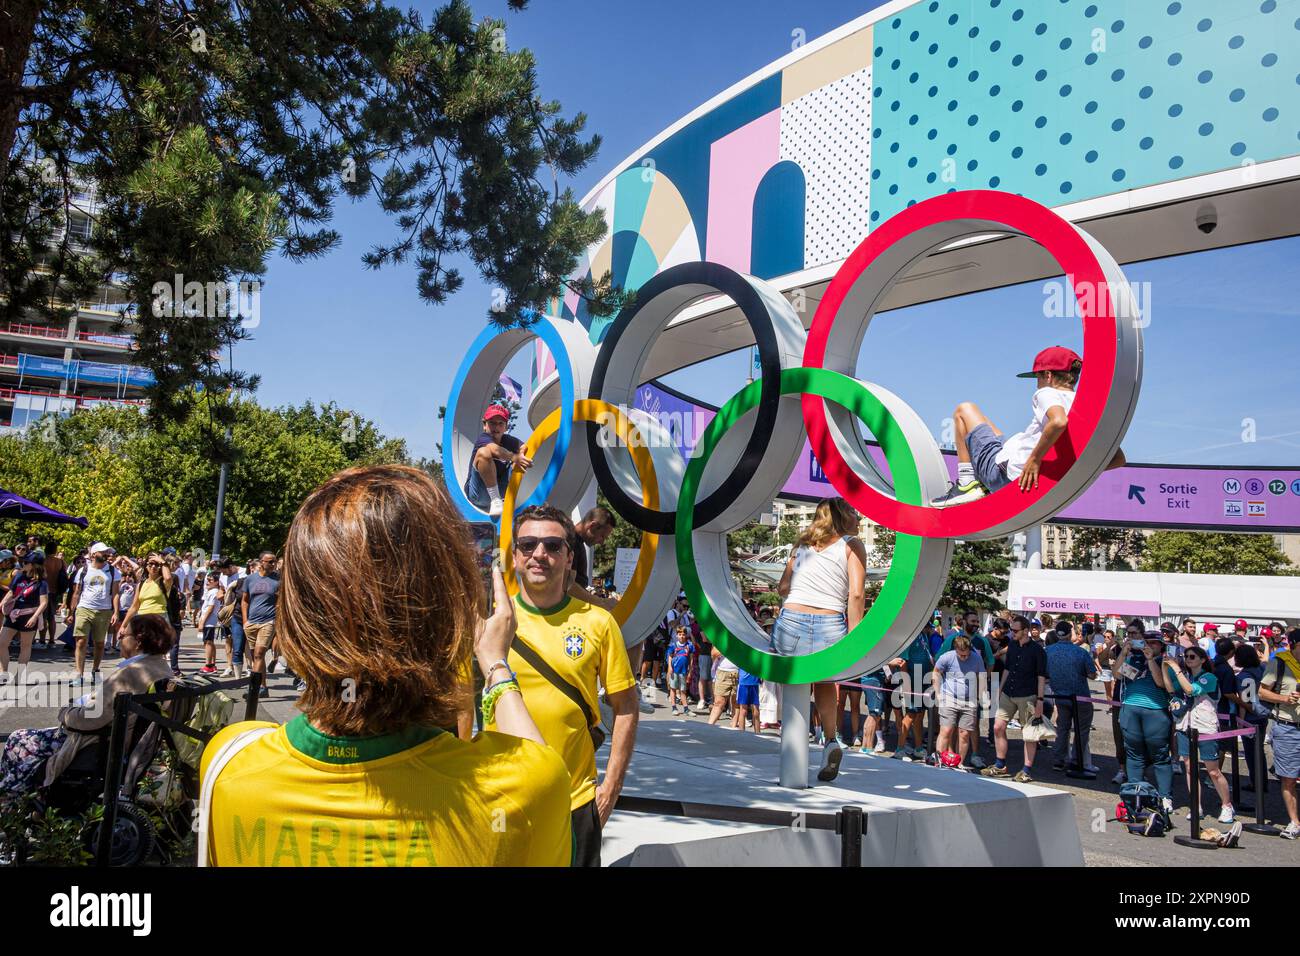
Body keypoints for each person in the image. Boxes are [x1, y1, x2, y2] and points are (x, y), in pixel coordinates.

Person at [200, 465, 572, 866]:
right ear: (448, 616)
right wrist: (494, 661)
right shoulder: (522, 787)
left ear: (297, 609)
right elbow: (538, 768)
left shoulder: (230, 762)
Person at [493, 503, 639, 867]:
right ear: (515, 556)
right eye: (528, 545)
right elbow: (462, 703)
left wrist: (610, 790)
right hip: (499, 801)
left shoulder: (599, 623)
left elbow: (627, 706)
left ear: (570, 558)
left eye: (553, 546)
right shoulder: (492, 621)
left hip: (574, 804)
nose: (539, 553)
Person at [0, 614, 176, 802]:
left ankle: (13, 801)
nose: (119, 637)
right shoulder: (160, 666)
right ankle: (20, 796)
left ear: (139, 641)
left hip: (99, 744)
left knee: (17, 739)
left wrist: (66, 712)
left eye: (124, 634)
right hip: (122, 741)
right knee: (23, 742)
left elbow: (93, 719)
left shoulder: (130, 674)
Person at [933, 346, 1126, 505]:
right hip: (1013, 460)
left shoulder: (1048, 393)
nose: (1037, 384)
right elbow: (1118, 458)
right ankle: (975, 483)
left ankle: (966, 484)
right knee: (986, 423)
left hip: (1002, 474)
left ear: (1048, 375)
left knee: (964, 409)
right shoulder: (1085, 407)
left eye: (1038, 378)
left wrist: (1034, 460)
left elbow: (1058, 421)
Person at [771, 497, 867, 782]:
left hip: (791, 623)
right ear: (840, 516)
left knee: (795, 681)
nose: (858, 515)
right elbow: (857, 594)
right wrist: (855, 634)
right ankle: (830, 741)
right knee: (825, 683)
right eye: (852, 511)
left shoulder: (800, 545)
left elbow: (783, 587)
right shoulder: (852, 545)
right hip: (830, 623)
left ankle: (794, 751)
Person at [1164, 646, 1234, 824]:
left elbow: (1190, 691)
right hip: (1185, 726)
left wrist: (1176, 669)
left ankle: (1227, 805)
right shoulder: (1185, 676)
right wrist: (1165, 667)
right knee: (1189, 767)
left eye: (1192, 656)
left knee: (1213, 770)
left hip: (1204, 727)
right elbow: (1170, 688)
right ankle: (1196, 805)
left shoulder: (1208, 677)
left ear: (1203, 659)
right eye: (1186, 656)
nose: (1188, 659)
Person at [1117, 625, 1177, 820]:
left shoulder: (1166, 661)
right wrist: (1124, 653)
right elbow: (1118, 675)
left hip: (1156, 710)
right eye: (1146, 642)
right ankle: (1136, 792)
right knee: (1133, 753)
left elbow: (1161, 683)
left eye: (1153, 643)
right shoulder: (1134, 659)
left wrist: (1151, 659)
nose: (1149, 646)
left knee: (1160, 754)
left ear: (1161, 645)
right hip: (1131, 708)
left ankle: (1165, 797)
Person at [983, 615, 1047, 782]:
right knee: (998, 727)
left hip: (1028, 695)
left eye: (1015, 630)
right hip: (1008, 693)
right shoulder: (1011, 646)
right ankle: (1000, 764)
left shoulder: (1038, 650)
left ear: (1025, 631)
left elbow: (1041, 676)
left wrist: (1040, 700)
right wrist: (999, 689)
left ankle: (1026, 770)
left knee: (1028, 733)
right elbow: (1008, 669)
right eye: (1011, 630)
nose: (1012, 633)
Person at [1258, 640, 1300, 839]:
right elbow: (1262, 692)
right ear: (1294, 645)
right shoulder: (1280, 663)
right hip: (1287, 727)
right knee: (1289, 777)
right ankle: (1294, 822)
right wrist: (1285, 699)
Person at [464, 404, 531, 519]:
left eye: (501, 424)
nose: (496, 427)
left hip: (502, 490)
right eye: (492, 423)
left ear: (506, 427)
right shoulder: (483, 438)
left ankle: (510, 496)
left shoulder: (508, 440)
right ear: (485, 425)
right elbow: (494, 449)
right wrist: (514, 457)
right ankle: (495, 500)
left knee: (520, 459)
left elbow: (525, 447)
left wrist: (519, 456)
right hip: (479, 494)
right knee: (484, 452)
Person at [1046, 627, 1097, 774]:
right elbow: (1092, 674)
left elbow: (1045, 673)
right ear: (1070, 634)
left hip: (1060, 695)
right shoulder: (1080, 652)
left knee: (1062, 728)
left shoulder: (1048, 651)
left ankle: (1059, 759)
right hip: (1080, 695)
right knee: (1082, 730)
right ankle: (1077, 760)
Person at [68, 543, 121, 685]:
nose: (106, 555)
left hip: (104, 610)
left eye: (107, 552)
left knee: (99, 643)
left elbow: (115, 594)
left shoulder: (113, 571)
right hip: (84, 608)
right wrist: (71, 612)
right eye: (103, 552)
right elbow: (76, 592)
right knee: (81, 641)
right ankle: (79, 674)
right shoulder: (83, 571)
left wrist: (116, 612)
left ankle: (95, 670)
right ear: (93, 555)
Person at [933, 635, 986, 770]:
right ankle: (939, 760)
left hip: (969, 700)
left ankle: (959, 762)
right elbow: (936, 672)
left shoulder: (976, 658)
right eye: (961, 655)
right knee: (946, 730)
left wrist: (979, 697)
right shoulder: (947, 657)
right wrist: (938, 694)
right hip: (949, 697)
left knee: (964, 733)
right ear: (956, 650)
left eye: (966, 655)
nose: (964, 658)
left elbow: (982, 676)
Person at [0, 552, 49, 684]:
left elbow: (44, 602)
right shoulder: (19, 576)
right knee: (2, 643)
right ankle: (3, 673)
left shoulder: (41, 582)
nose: (23, 564)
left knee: (25, 646)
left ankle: (19, 676)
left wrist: (34, 617)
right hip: (13, 614)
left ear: (34, 565)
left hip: (28, 615)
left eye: (26, 562)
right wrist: (3, 602)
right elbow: (11, 591)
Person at [888, 632, 933, 760]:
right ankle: (899, 749)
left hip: (923, 679)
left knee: (919, 716)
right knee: (911, 714)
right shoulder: (910, 636)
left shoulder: (924, 635)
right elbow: (902, 662)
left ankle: (918, 748)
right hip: (912, 680)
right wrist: (907, 684)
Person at [565, 507, 618, 612]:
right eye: (602, 536)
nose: (602, 542)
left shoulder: (576, 542)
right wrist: (601, 603)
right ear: (592, 526)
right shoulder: (571, 541)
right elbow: (567, 584)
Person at [243, 551, 281, 695]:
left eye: (274, 561)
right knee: (256, 657)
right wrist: (245, 621)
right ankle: (263, 687)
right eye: (270, 561)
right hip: (252, 622)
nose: (273, 564)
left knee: (259, 654)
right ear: (261, 562)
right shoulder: (250, 579)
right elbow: (245, 600)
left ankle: (253, 688)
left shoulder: (278, 580)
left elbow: (281, 602)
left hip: (268, 622)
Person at [195, 571, 224, 674]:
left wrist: (202, 622)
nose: (207, 581)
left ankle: (209, 665)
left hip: (209, 621)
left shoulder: (213, 592)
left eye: (210, 580)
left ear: (216, 582)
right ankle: (212, 664)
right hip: (209, 621)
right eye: (207, 579)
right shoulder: (211, 591)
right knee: (210, 642)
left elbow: (210, 608)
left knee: (208, 642)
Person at [666, 625, 695, 715]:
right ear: (676, 635)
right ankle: (674, 707)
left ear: (686, 635)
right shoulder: (673, 646)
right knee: (673, 688)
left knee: (683, 690)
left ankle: (686, 709)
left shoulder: (689, 646)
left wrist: (690, 670)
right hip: (674, 671)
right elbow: (670, 657)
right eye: (679, 634)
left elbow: (691, 659)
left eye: (683, 634)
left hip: (683, 671)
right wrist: (670, 667)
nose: (681, 636)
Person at [708, 648, 739, 726]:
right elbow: (713, 654)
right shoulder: (724, 637)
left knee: (737, 703)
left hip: (740, 671)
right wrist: (728, 645)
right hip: (723, 672)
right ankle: (709, 728)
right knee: (719, 702)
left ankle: (733, 728)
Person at [736, 666, 762, 733]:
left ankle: (758, 734)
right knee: (743, 711)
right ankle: (741, 734)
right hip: (743, 683)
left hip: (754, 683)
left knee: (756, 712)